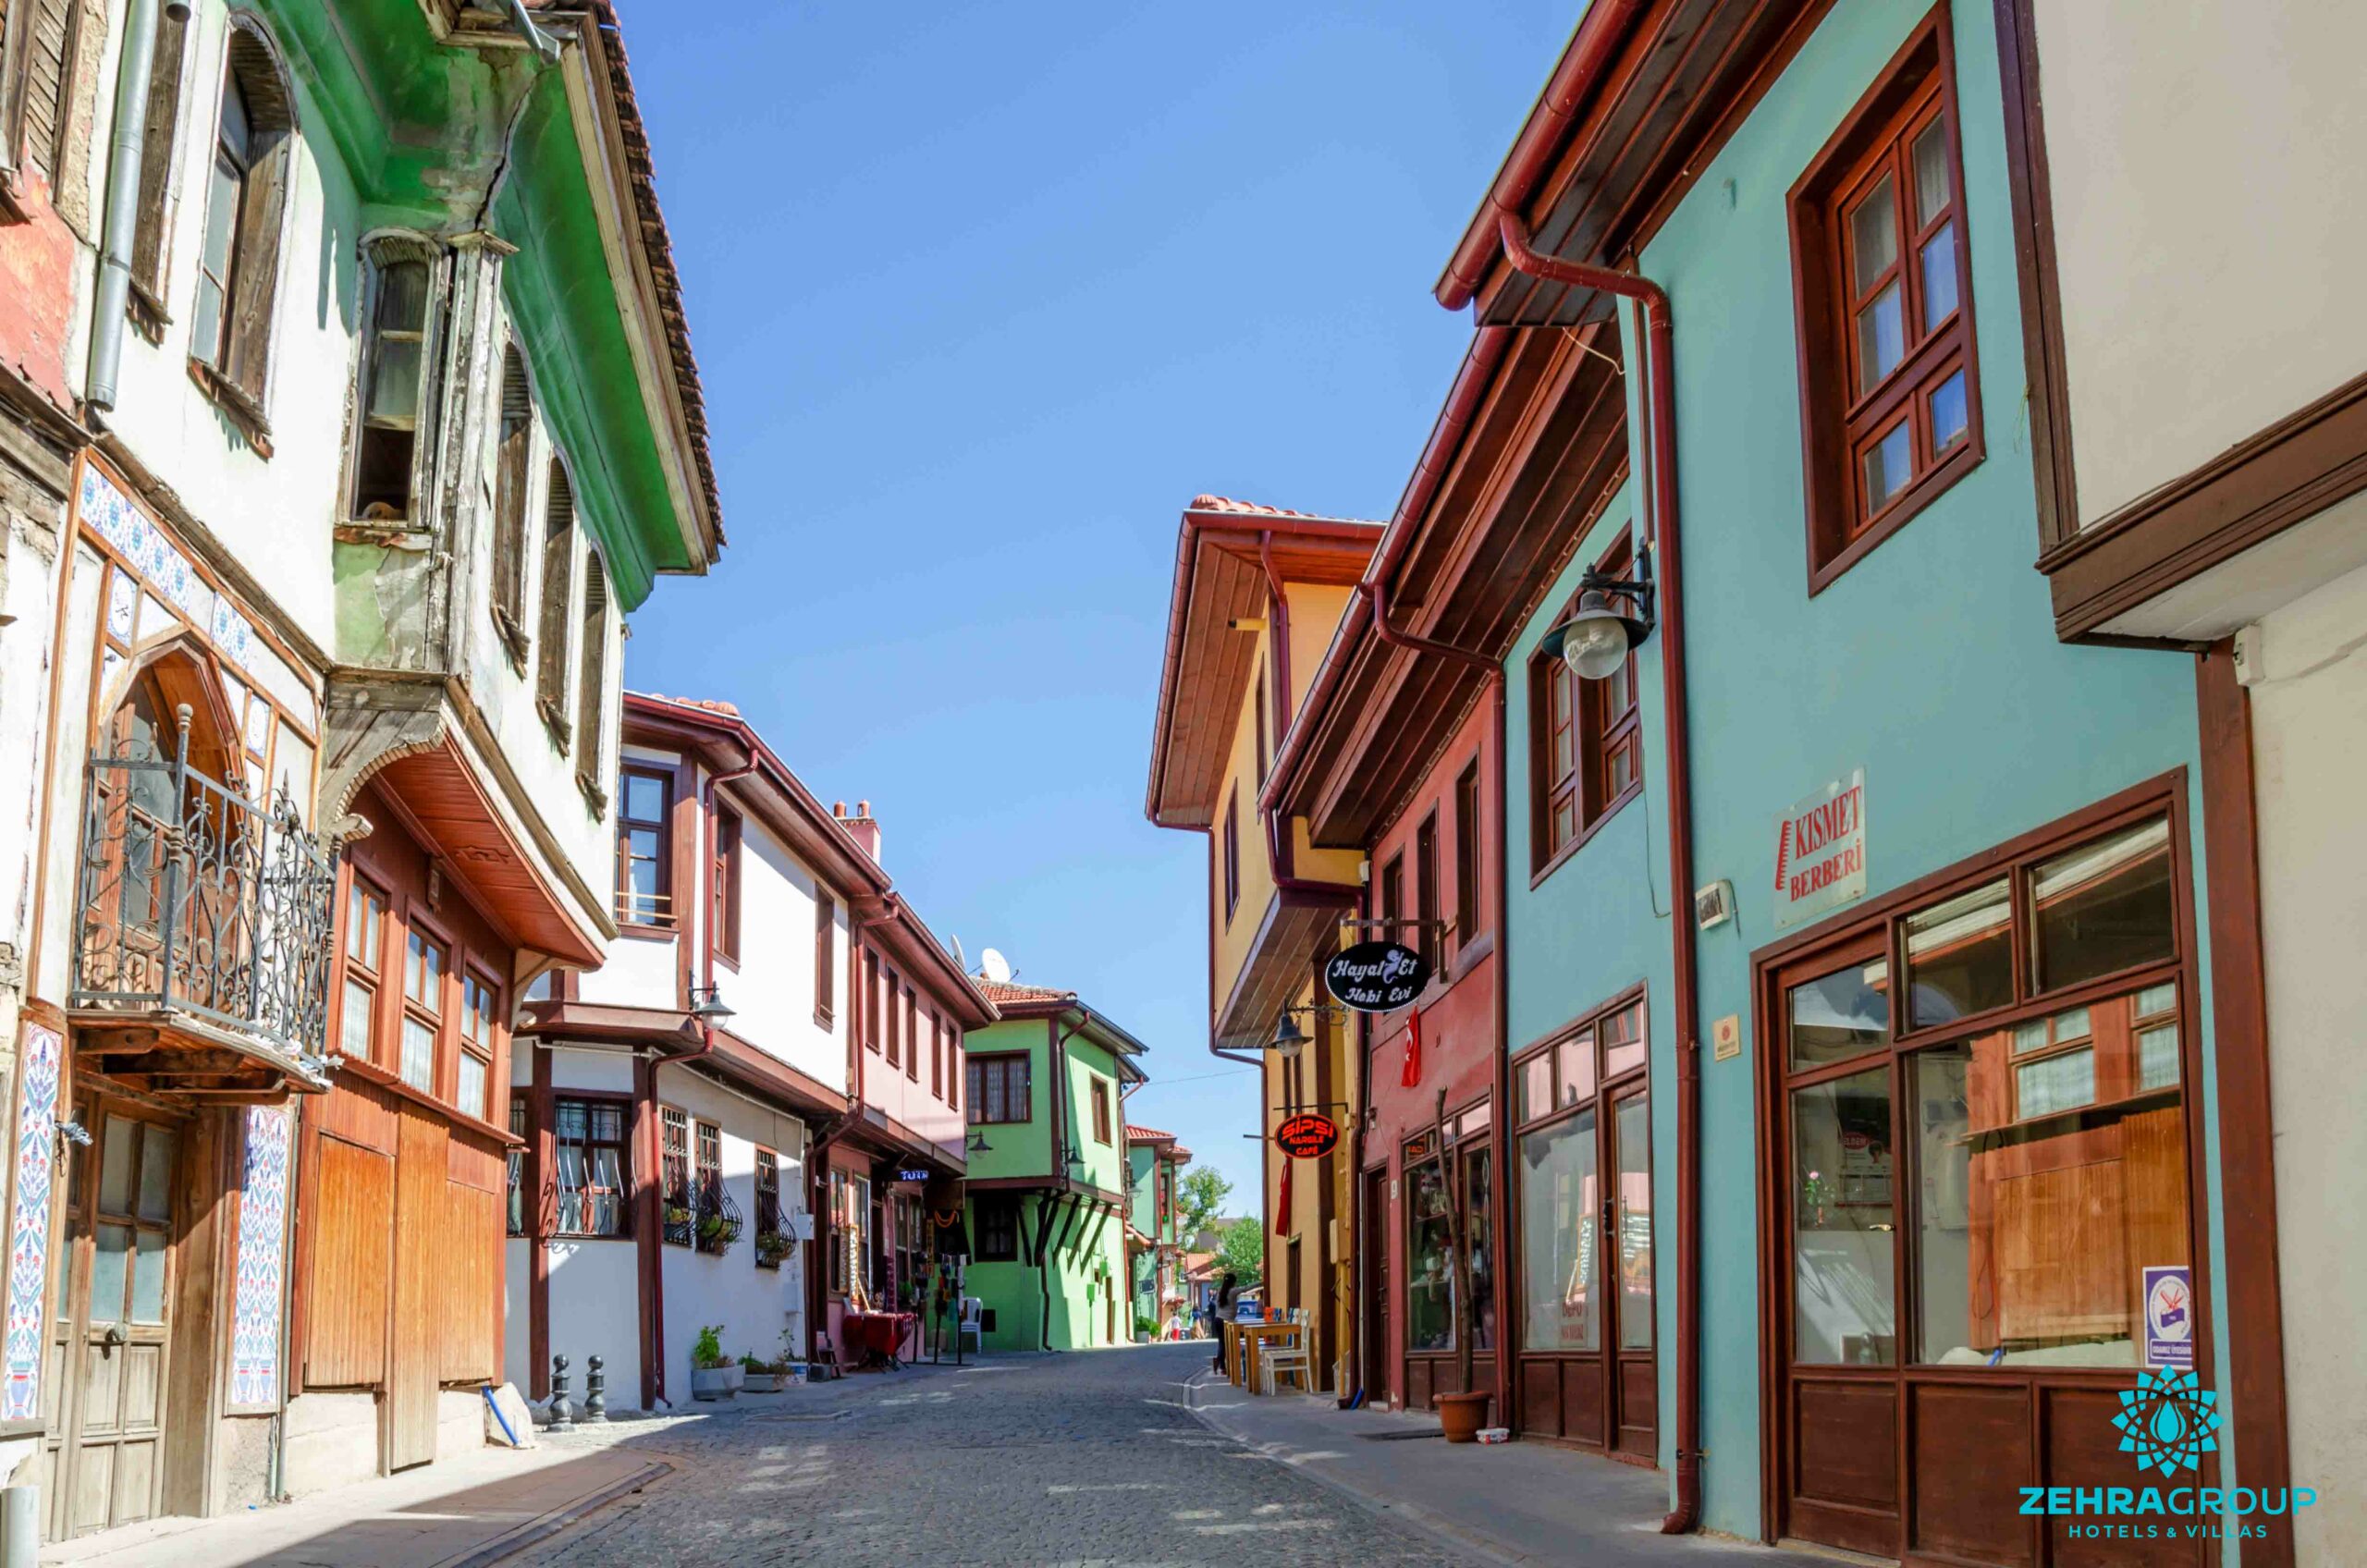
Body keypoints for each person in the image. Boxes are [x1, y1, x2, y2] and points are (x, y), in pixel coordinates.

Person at [1208, 1271, 1239, 1375]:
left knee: (1222, 1343)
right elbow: (1246, 1288)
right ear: (1233, 1282)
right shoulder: (1233, 1291)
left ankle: (1222, 1366)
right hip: (1226, 1321)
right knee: (1226, 1343)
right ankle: (1221, 1363)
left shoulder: (1221, 1291)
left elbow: (1217, 1306)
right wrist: (1261, 1283)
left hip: (1218, 1319)